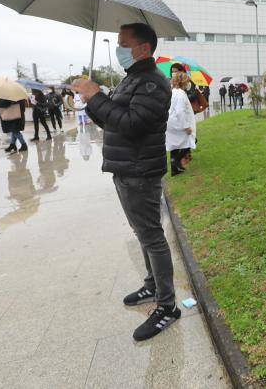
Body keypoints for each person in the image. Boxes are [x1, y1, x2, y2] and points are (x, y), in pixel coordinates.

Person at [72, 22, 181, 341]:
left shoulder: (152, 84)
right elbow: (111, 120)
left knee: (151, 236)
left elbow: (131, 125)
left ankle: (168, 306)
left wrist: (97, 96)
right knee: (143, 233)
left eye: (123, 44)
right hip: (125, 168)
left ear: (143, 48)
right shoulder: (133, 79)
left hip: (139, 172)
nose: (119, 49)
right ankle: (153, 284)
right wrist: (92, 100)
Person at [166, 72, 197, 176]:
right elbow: (180, 112)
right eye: (187, 81)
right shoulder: (180, 94)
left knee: (175, 146)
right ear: (183, 82)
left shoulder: (175, 91)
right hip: (177, 123)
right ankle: (176, 162)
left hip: (172, 122)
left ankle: (175, 170)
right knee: (192, 139)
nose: (188, 84)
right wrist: (186, 127)